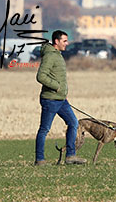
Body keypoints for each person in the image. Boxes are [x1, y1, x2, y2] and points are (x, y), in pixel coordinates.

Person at [35, 30, 87, 166]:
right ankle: (39, 159)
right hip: (51, 99)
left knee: (73, 123)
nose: (67, 43)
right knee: (44, 129)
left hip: (61, 99)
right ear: (56, 41)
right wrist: (57, 87)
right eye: (64, 41)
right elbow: (40, 76)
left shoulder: (57, 55)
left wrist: (62, 92)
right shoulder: (50, 56)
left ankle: (70, 156)